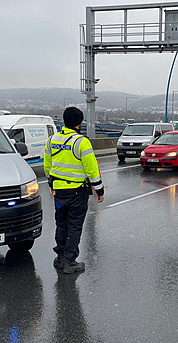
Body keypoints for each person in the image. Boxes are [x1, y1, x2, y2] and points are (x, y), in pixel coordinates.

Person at [44, 107, 104, 274]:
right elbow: (92, 170)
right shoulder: (81, 142)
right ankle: (70, 261)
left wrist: (52, 183)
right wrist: (99, 190)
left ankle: (60, 258)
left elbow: (47, 165)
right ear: (79, 123)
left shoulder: (52, 140)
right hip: (77, 192)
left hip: (59, 191)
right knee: (74, 226)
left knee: (61, 225)